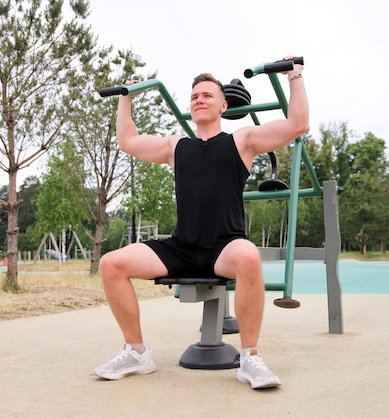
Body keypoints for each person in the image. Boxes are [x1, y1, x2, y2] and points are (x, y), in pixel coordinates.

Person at [94, 57, 308, 389]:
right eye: (194, 96)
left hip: (224, 246)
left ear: (223, 105)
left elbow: (297, 124)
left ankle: (250, 357)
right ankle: (136, 352)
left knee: (249, 256)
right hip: (182, 246)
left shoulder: (242, 140)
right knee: (111, 263)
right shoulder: (176, 146)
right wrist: (126, 100)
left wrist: (294, 76)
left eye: (207, 95)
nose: (199, 100)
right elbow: (128, 141)